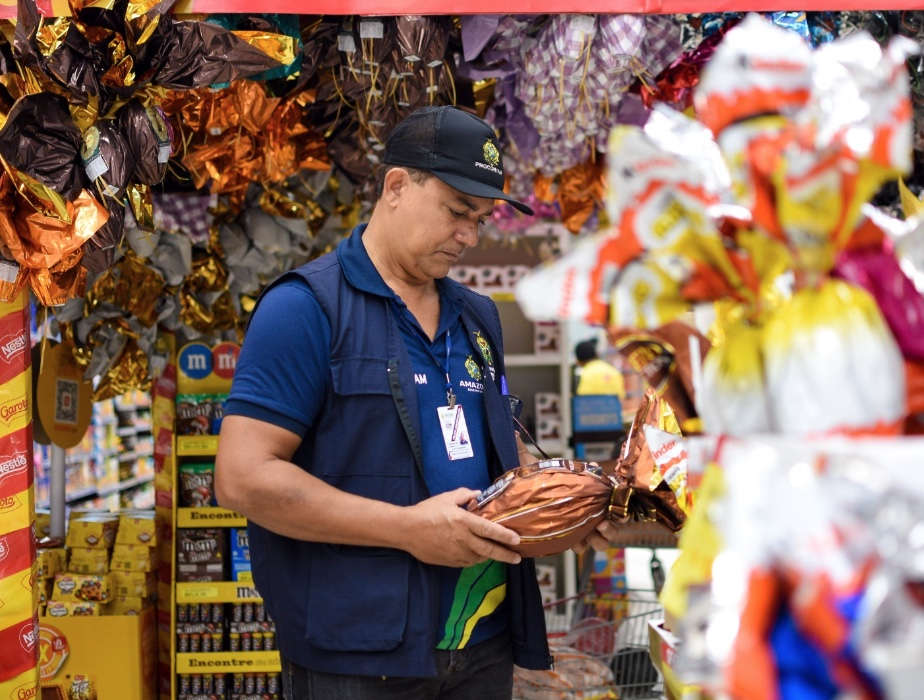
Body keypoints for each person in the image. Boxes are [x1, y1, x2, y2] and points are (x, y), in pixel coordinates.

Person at [215, 105, 619, 700]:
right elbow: (243, 478)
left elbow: (499, 450)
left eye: (480, 219)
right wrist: (408, 530)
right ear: (397, 187)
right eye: (457, 211)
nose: (470, 237)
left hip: (481, 640)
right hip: (357, 654)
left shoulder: (478, 317)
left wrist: (558, 507)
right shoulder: (304, 309)